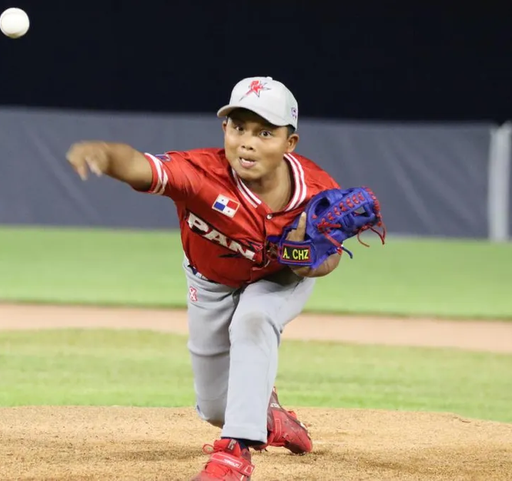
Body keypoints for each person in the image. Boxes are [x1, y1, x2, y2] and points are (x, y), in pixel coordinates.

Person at [65, 76, 342, 480]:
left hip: (281, 278)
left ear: (290, 143)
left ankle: (235, 454)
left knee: (254, 318)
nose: (247, 141)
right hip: (210, 280)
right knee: (215, 408)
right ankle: (267, 414)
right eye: (238, 127)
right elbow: (141, 166)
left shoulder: (315, 192)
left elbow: (328, 262)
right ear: (224, 130)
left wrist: (301, 255)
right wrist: (106, 155)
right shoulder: (200, 174)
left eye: (265, 132)